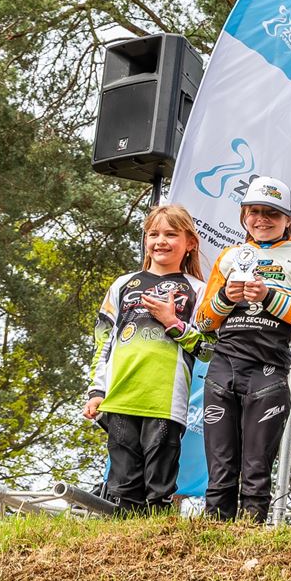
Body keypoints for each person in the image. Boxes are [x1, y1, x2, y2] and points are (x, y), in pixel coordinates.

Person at [197, 177, 291, 522]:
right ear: (244, 215)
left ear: (288, 219)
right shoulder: (229, 256)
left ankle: (250, 538)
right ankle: (212, 537)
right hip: (224, 367)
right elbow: (203, 321)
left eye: (272, 213)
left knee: (256, 471)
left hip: (268, 370)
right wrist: (226, 297)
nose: (262, 219)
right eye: (254, 211)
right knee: (220, 470)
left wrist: (269, 297)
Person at [84, 204, 208, 514]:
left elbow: (208, 348)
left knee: (158, 485)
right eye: (153, 234)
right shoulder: (122, 284)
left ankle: (157, 532)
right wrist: (96, 390)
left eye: (171, 234)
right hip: (121, 396)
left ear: (190, 243)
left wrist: (173, 322)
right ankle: (122, 533)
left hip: (165, 400)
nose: (160, 241)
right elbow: (103, 341)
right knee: (121, 485)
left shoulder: (199, 290)